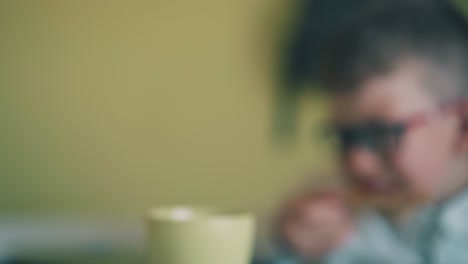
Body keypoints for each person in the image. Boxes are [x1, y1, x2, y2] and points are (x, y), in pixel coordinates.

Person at [276, 1, 468, 263]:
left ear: (463, 126)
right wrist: (291, 245)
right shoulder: (354, 221)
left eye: (381, 133)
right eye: (344, 137)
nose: (357, 162)